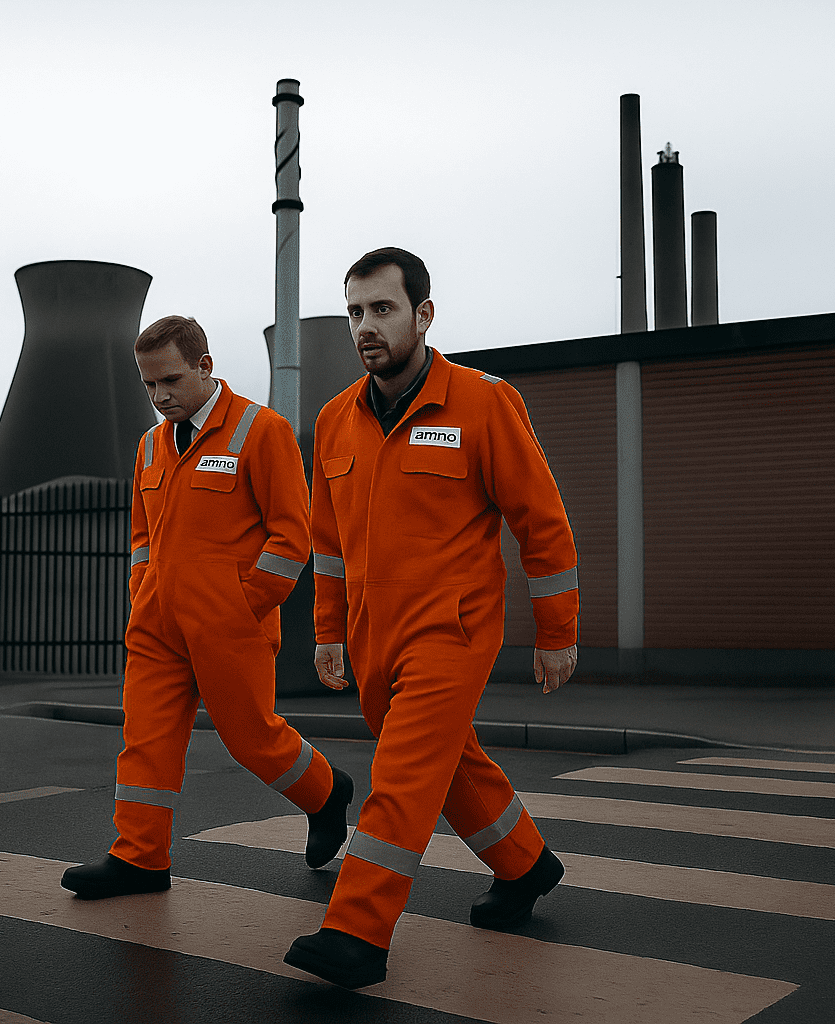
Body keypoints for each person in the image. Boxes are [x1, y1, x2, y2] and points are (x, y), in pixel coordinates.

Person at [284, 248, 580, 988]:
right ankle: (525, 865)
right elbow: (328, 547)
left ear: (423, 314)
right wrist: (327, 631)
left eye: (382, 309)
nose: (365, 327)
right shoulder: (335, 422)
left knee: (405, 771)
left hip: (454, 628)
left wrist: (557, 635)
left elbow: (541, 524)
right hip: (373, 633)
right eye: (355, 312)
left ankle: (357, 931)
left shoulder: (483, 402)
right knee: (448, 763)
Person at [61, 315, 353, 899]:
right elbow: (143, 532)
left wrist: (243, 606)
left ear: (205, 367)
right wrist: (143, 585)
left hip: (230, 628)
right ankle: (139, 858)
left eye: (169, 380)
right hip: (156, 625)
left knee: (254, 741)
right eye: (148, 386)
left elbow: (292, 537)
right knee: (145, 740)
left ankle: (327, 793)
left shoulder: (260, 430)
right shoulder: (149, 445)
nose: (159, 396)